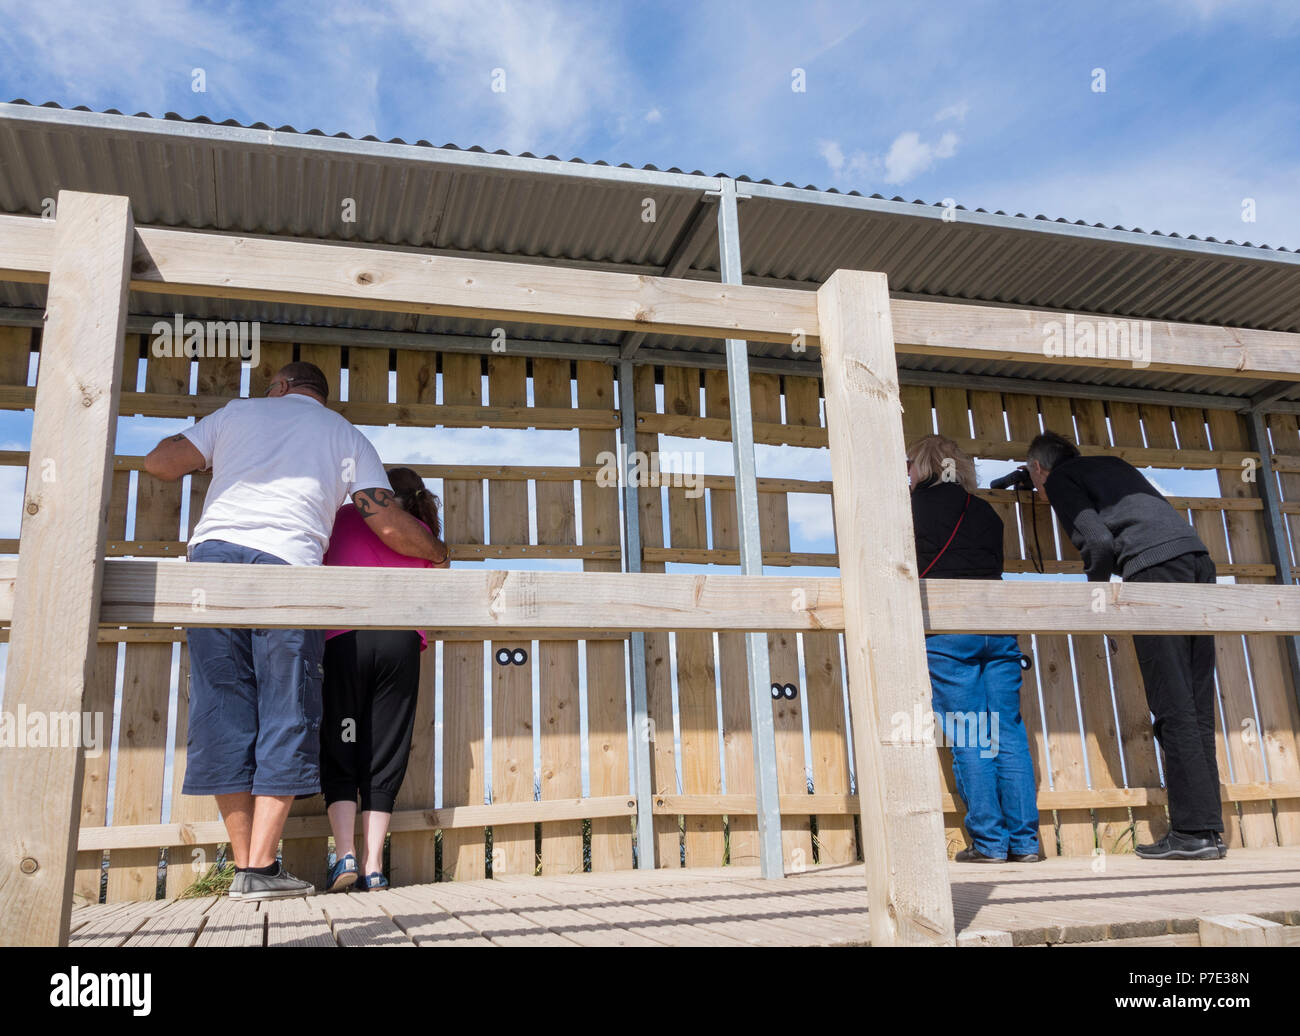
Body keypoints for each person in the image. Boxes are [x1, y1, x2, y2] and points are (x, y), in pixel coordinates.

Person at [143, 362, 449, 900]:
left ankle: (249, 867)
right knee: (288, 708)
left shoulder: (237, 413)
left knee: (222, 707)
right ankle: (258, 869)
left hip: (213, 566)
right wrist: (439, 552)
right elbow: (389, 525)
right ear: (320, 396)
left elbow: (161, 463)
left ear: (280, 386)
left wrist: (210, 442)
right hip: (288, 566)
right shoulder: (345, 435)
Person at [1024, 430, 1225, 861]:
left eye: (1034, 477)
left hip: (1155, 570)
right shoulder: (1113, 466)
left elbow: (1097, 541)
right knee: (1195, 703)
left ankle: (1191, 834)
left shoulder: (1060, 480)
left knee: (1172, 704)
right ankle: (1207, 829)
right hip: (1197, 560)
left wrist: (1096, 594)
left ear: (1038, 468)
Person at [908, 434, 1041, 864]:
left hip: (949, 632)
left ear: (921, 466)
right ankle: (1025, 845)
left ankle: (989, 844)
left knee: (969, 733)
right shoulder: (984, 511)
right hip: (998, 627)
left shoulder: (908, 511)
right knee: (1009, 733)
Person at [320, 467, 449, 892]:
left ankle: (345, 856)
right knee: (385, 750)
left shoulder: (343, 517)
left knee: (343, 744)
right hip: (400, 644)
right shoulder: (423, 534)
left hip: (346, 640)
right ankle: (374, 865)